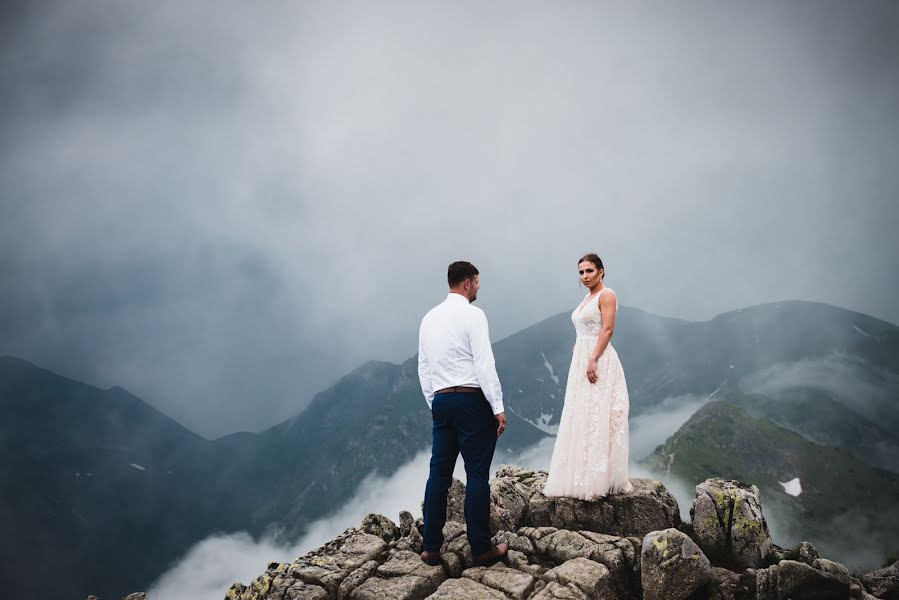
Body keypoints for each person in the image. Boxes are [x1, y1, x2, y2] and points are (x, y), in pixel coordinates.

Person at [417, 261, 509, 567]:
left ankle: (431, 547)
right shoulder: (474, 315)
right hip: (472, 401)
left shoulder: (428, 318)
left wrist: (435, 402)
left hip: (442, 402)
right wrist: (497, 407)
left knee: (438, 474)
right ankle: (481, 548)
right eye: (477, 282)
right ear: (467, 283)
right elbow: (484, 363)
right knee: (477, 474)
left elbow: (424, 368)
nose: (479, 287)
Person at [543, 253, 633, 499]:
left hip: (599, 359)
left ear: (601, 271)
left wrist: (592, 357)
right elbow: (586, 327)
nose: (585, 276)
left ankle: (599, 477)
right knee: (582, 411)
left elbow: (607, 328)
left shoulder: (606, 295)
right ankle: (580, 473)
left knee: (598, 412)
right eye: (581, 272)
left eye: (589, 271)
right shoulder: (587, 297)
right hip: (583, 357)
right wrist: (579, 344)